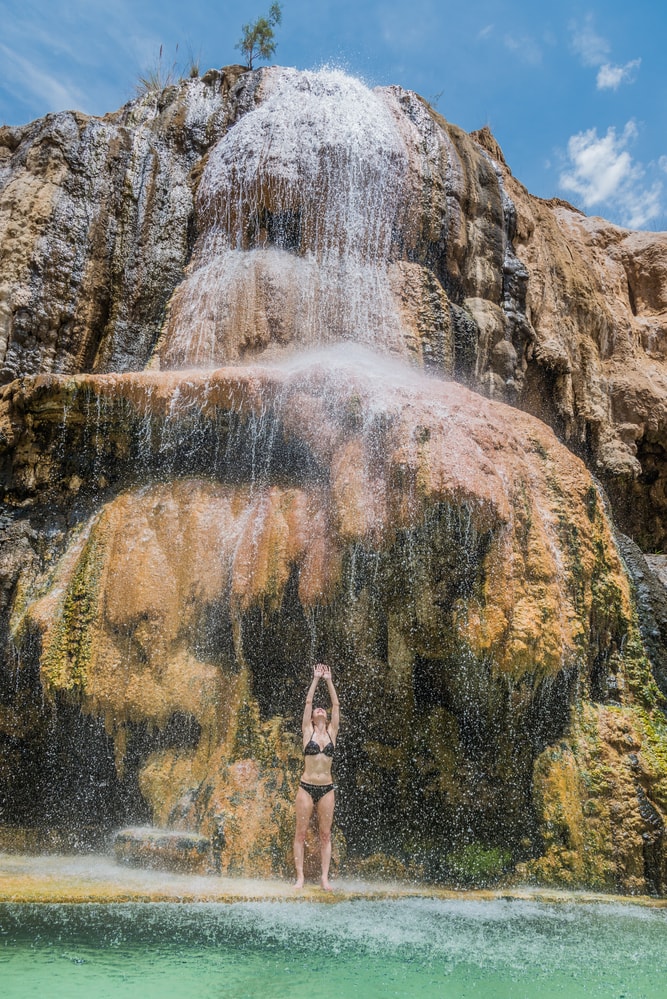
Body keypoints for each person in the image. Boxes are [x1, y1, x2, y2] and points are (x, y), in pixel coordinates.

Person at [293, 663, 340, 890]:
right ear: (312, 718)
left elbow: (336, 704)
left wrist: (329, 680)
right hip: (306, 787)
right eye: (317, 711)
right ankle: (300, 877)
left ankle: (324, 878)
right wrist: (315, 679)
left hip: (327, 788)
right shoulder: (307, 732)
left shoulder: (332, 733)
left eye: (324, 710)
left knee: (325, 834)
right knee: (300, 833)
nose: (320, 709)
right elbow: (308, 702)